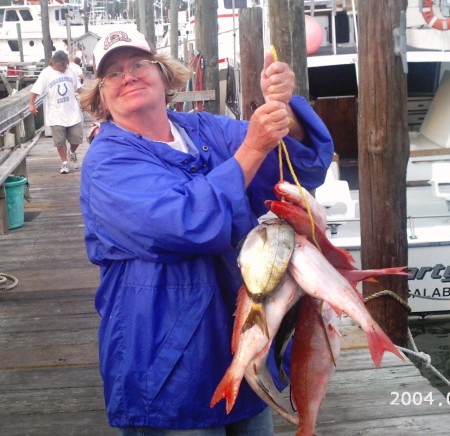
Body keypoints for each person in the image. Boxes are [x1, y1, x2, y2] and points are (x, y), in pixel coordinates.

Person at [79, 29, 334, 435]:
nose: (127, 76)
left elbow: (296, 169)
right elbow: (185, 222)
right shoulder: (106, 165)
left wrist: (284, 114)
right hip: (167, 376)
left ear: (164, 75)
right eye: (112, 73)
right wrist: (251, 148)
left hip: (244, 352)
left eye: (139, 64)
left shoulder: (206, 130)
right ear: (100, 95)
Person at [29, 50, 83, 174]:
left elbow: (79, 88)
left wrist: (87, 100)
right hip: (56, 114)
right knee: (60, 141)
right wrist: (31, 104)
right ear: (58, 64)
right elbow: (35, 90)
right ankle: (64, 163)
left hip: (72, 112)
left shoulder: (71, 71)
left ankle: (72, 152)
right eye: (65, 64)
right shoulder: (46, 74)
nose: (67, 66)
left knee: (77, 138)